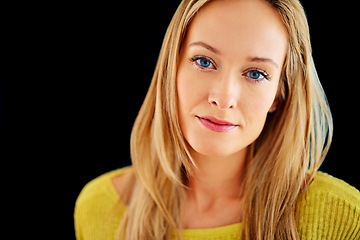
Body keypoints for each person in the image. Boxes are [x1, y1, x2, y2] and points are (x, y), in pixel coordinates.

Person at [74, 0, 360, 239]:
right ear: (171, 68)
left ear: (277, 96)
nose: (223, 99)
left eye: (256, 73)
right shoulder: (99, 207)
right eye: (204, 61)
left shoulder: (344, 217)